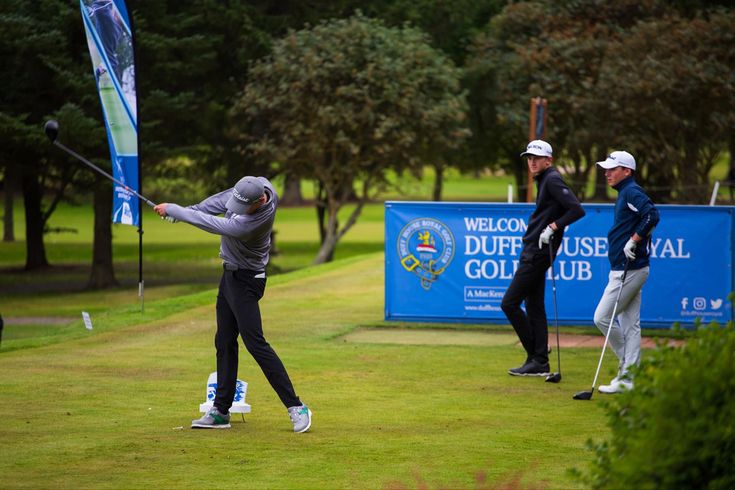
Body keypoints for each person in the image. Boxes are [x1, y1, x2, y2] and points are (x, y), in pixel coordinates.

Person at [154, 176, 312, 432]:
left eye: (243, 207)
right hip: (230, 275)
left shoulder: (251, 224)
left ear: (261, 201)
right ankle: (220, 411)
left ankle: (296, 407)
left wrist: (177, 211)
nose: (236, 210)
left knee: (255, 343)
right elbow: (220, 200)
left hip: (247, 280)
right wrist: (191, 210)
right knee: (224, 340)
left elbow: (213, 223)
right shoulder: (262, 185)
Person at [502, 140, 585, 376]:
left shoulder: (552, 179)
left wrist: (554, 227)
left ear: (548, 160)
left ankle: (538, 355)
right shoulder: (544, 180)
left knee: (509, 303)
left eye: (537, 157)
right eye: (529, 158)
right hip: (534, 249)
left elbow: (576, 209)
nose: (532, 161)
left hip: (538, 252)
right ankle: (539, 361)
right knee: (534, 305)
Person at [594, 151, 659, 393]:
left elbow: (652, 215)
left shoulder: (631, 191)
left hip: (629, 269)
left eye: (613, 169)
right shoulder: (625, 193)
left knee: (601, 317)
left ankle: (629, 369)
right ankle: (629, 378)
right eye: (606, 169)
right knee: (630, 325)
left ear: (627, 171)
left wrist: (634, 240)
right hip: (627, 268)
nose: (607, 173)